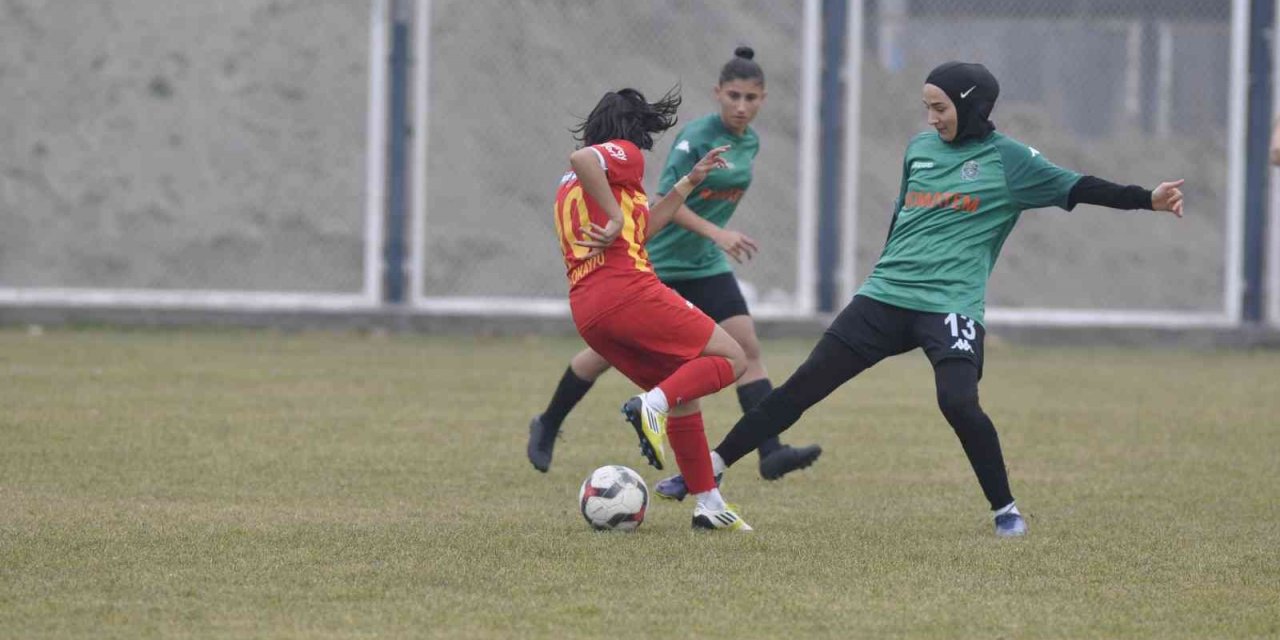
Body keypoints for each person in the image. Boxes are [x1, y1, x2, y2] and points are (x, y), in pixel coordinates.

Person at [699, 61, 1186, 537]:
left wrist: (1148, 198)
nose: (932, 118)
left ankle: (1006, 510)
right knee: (803, 385)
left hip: (950, 304)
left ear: (971, 107)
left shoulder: (1009, 160)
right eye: (927, 108)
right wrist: (886, 270)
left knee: (957, 402)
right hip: (886, 296)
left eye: (940, 108)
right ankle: (712, 466)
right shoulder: (920, 149)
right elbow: (902, 217)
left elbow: (1078, 186)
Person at [527, 47, 822, 497]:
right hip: (652, 269)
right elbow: (595, 170)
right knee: (691, 363)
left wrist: (690, 184)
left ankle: (758, 457)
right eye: (734, 96)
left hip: (693, 267)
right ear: (718, 94)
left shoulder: (749, 142)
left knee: (742, 348)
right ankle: (553, 421)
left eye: (752, 98)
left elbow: (642, 215)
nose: (742, 106)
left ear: (763, 99)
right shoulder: (664, 144)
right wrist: (624, 219)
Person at [551, 85, 752, 531]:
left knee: (682, 393)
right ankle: (651, 405)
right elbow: (582, 159)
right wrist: (618, 217)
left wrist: (689, 181)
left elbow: (642, 231)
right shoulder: (618, 156)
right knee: (732, 357)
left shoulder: (577, 190)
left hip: (589, 312)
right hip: (629, 291)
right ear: (632, 128)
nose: (645, 147)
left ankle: (709, 504)